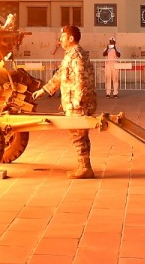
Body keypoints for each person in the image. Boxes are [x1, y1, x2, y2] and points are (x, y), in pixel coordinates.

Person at [33, 25, 97, 179]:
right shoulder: (71, 55)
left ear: (71, 38)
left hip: (78, 104)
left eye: (62, 37)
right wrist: (45, 90)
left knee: (78, 135)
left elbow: (82, 80)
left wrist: (77, 102)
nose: (60, 40)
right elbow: (60, 75)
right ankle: (84, 166)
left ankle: (85, 168)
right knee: (79, 135)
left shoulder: (77, 56)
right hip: (75, 103)